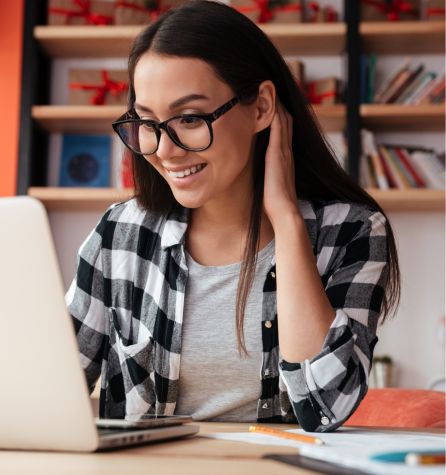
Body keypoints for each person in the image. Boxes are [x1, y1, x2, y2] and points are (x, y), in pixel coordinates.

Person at [66, 0, 401, 432]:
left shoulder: (351, 231)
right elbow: (51, 391)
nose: (164, 150)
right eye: (148, 122)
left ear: (261, 107)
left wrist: (286, 221)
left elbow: (326, 406)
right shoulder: (120, 235)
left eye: (188, 118)